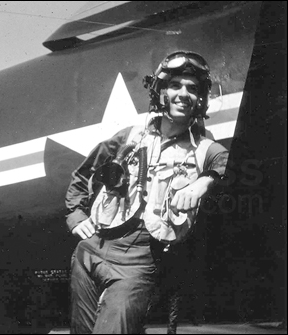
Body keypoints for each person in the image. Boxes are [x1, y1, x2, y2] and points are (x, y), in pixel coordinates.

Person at [65, 50, 228, 334]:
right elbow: (82, 173)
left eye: (192, 88)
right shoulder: (129, 137)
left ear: (200, 99)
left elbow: (226, 164)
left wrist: (204, 181)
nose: (183, 93)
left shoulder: (204, 147)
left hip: (138, 262)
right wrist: (76, 217)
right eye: (175, 85)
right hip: (90, 251)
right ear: (161, 92)